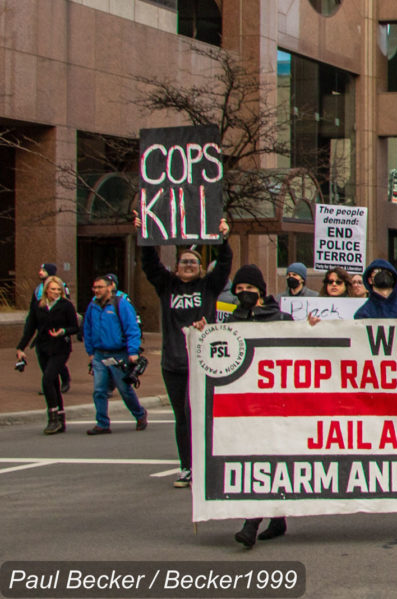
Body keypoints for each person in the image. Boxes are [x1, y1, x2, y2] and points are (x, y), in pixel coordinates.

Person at [135, 213, 232, 487]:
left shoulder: (209, 287)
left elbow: (225, 264)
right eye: (184, 262)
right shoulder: (167, 286)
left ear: (201, 268)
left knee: (200, 415)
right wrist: (144, 236)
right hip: (174, 364)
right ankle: (187, 466)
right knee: (183, 417)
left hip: (204, 363)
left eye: (193, 262)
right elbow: (150, 265)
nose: (188, 265)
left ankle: (207, 463)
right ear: (176, 267)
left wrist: (223, 237)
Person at [222, 264, 293, 548]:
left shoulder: (281, 319)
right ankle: (277, 519)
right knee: (258, 461)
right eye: (239, 290)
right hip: (247, 406)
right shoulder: (232, 321)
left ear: (261, 292)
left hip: (276, 403)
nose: (244, 294)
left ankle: (251, 523)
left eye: (249, 289)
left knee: (265, 460)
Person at [81, 274, 148, 435]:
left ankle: (139, 414)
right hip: (99, 355)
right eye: (95, 287)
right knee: (99, 390)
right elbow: (87, 329)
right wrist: (90, 352)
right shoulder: (92, 306)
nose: (96, 290)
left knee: (124, 389)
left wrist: (132, 351)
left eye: (100, 287)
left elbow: (132, 328)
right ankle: (102, 423)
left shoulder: (121, 305)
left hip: (119, 354)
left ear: (110, 287)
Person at [15, 275, 79, 434]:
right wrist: (20, 348)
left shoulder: (66, 306)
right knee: (53, 383)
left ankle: (52, 418)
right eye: (53, 289)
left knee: (47, 379)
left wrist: (63, 331)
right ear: (46, 290)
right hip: (43, 348)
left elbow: (74, 327)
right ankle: (60, 418)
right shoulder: (38, 306)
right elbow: (30, 328)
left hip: (60, 348)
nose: (56, 292)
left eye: (58, 289)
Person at [28, 263, 71, 393]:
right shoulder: (38, 289)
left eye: (43, 270)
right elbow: (33, 309)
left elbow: (65, 305)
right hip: (44, 331)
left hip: (58, 331)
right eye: (40, 269)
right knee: (46, 360)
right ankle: (49, 384)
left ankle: (64, 380)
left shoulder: (60, 286)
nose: (40, 272)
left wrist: (64, 330)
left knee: (57, 359)